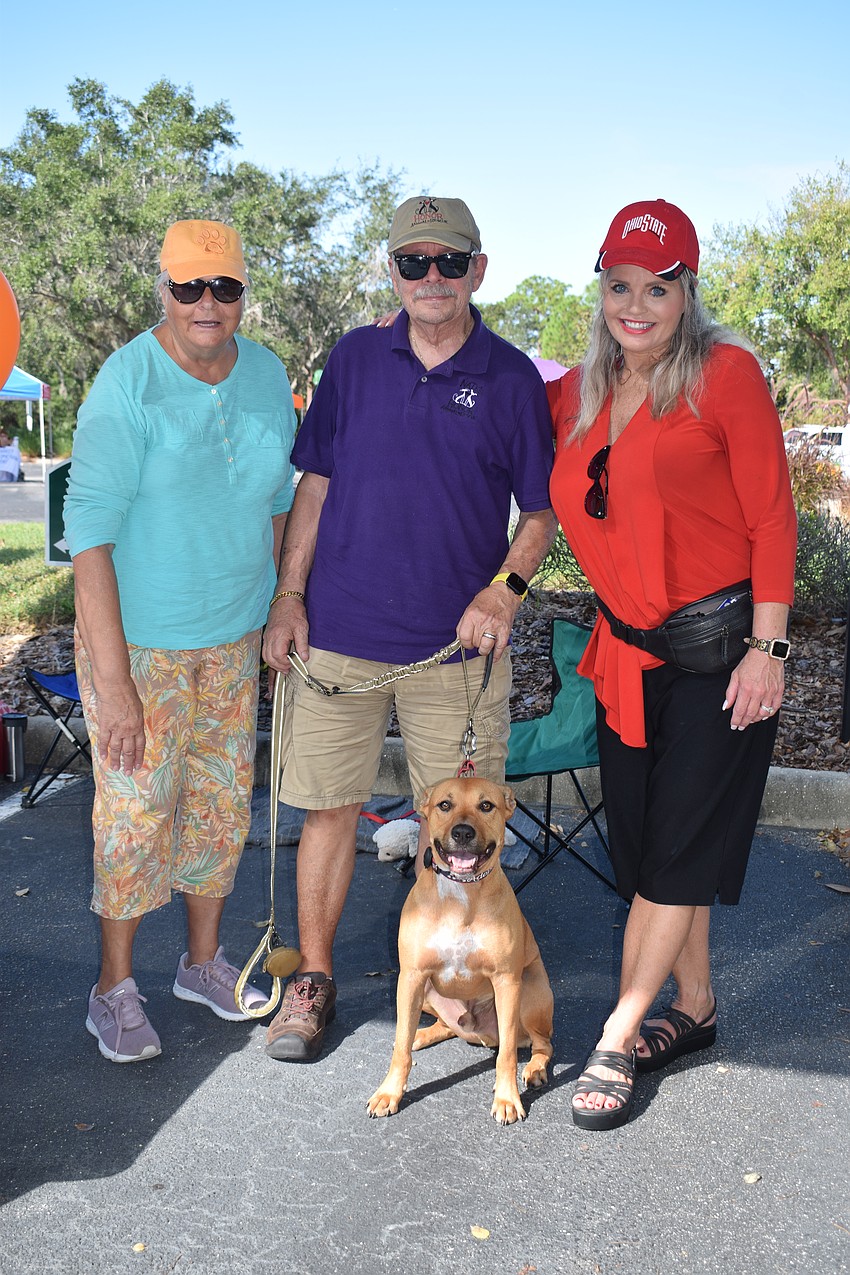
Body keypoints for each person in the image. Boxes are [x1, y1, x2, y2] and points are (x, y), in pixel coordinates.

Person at [262, 195, 557, 1062]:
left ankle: (467, 981)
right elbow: (311, 488)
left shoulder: (511, 378)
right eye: (413, 263)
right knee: (326, 811)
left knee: (468, 823)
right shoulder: (353, 360)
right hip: (337, 640)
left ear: (478, 270)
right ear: (392, 271)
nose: (431, 279)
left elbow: (539, 516)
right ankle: (310, 980)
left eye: (449, 262)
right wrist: (289, 596)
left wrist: (504, 591)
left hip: (456, 652)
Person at [547, 200, 797, 1129]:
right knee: (654, 851)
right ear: (601, 288)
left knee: (675, 850)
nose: (638, 306)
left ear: (688, 290)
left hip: (723, 655)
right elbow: (490, 410)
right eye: (621, 286)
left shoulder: (724, 376)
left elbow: (774, 517)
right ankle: (693, 1006)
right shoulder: (572, 395)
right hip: (626, 656)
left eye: (659, 287)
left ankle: (617, 1034)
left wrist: (771, 649)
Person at [64, 219, 297, 1062]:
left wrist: (281, 606)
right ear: (161, 289)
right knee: (134, 812)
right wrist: (116, 683)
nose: (207, 304)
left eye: (224, 288)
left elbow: (279, 501)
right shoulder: (126, 383)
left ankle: (201, 963)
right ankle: (112, 988)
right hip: (142, 642)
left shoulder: (267, 374)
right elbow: (87, 535)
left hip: (232, 634)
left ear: (242, 294)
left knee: (219, 804)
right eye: (190, 287)